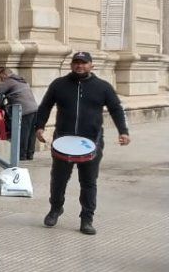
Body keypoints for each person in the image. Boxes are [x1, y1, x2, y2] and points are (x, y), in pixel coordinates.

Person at [34, 52, 130, 235]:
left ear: (91, 65)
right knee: (58, 179)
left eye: (83, 63)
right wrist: (39, 127)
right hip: (63, 140)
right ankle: (55, 209)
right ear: (71, 65)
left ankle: (87, 219)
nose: (79, 66)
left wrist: (123, 131)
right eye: (76, 62)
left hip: (91, 141)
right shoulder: (59, 84)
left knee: (88, 181)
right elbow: (45, 105)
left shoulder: (103, 87)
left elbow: (116, 108)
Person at [0, 68, 38, 160]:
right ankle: (29, 155)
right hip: (34, 109)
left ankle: (21, 156)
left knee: (23, 133)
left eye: (1, 77)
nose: (0, 80)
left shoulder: (9, 81)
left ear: (5, 74)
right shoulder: (21, 80)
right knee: (31, 133)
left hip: (25, 110)